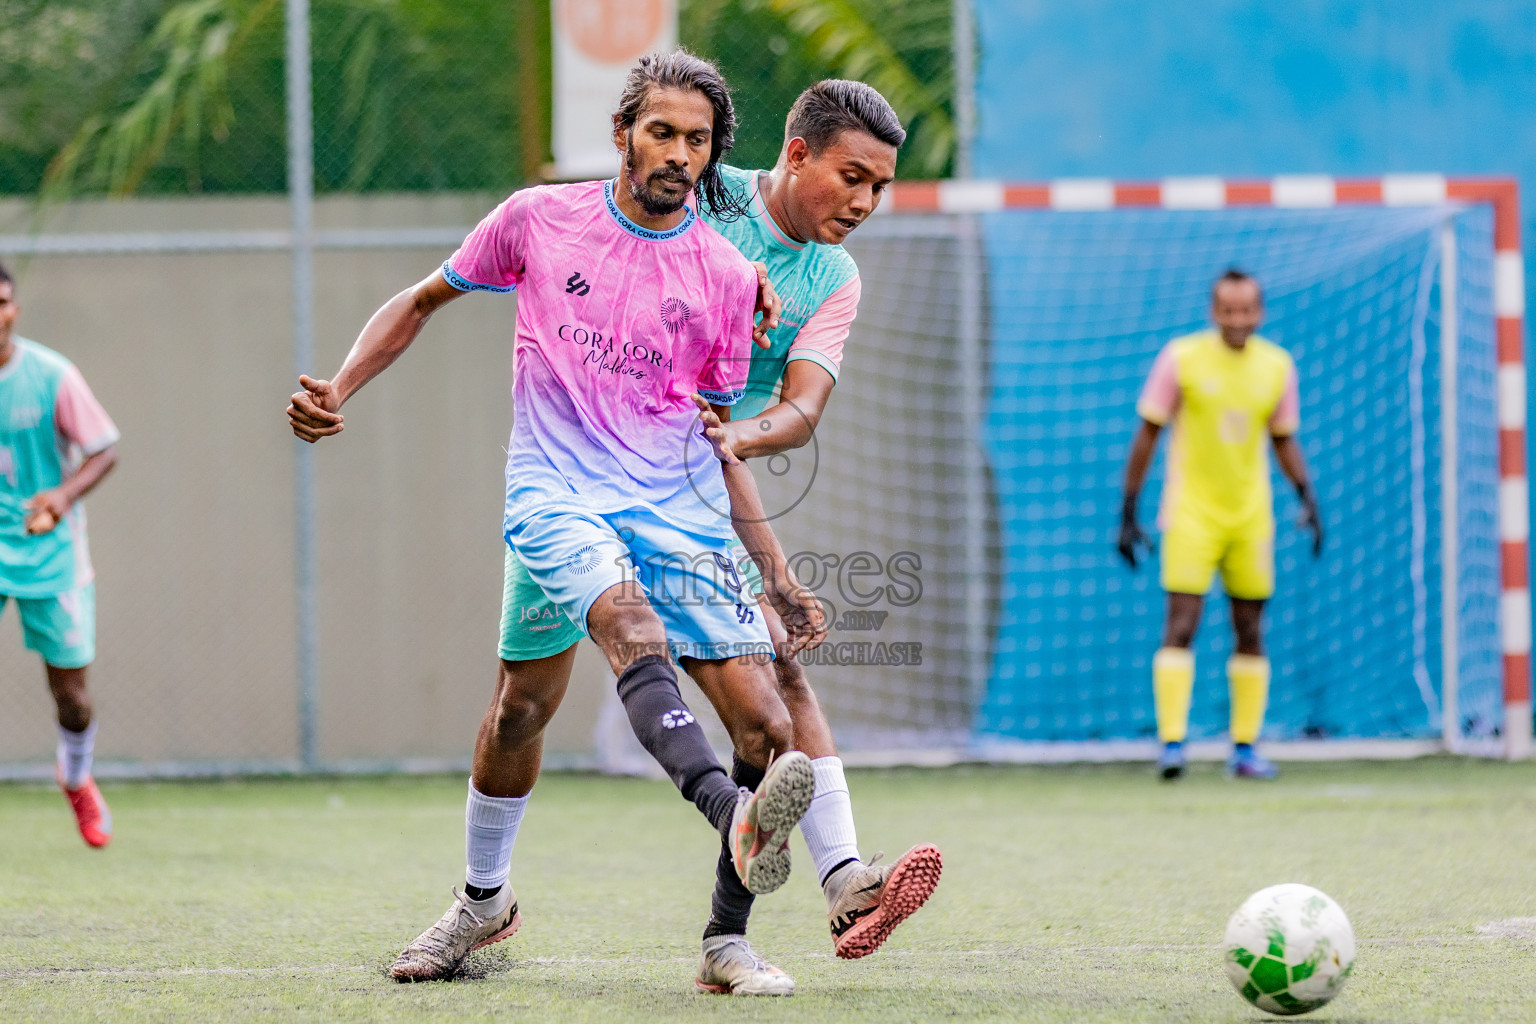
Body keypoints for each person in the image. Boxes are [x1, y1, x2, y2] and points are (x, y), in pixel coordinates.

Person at [288, 51, 825, 994]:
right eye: (662, 132)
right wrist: (339, 385)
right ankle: (485, 901)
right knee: (531, 701)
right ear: (623, 133)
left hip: (675, 510)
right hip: (555, 495)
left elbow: (714, 433)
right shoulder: (538, 218)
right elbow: (422, 301)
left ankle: (725, 941)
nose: (679, 154)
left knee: (769, 728)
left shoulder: (726, 275)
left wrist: (773, 572)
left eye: (698, 141)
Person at [1117, 269, 1323, 781]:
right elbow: (1148, 433)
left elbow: (1282, 438)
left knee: (1250, 627)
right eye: (1228, 310)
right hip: (1191, 514)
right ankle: (1172, 744)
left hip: (1250, 518)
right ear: (1214, 312)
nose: (1237, 319)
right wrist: (1129, 510)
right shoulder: (1181, 359)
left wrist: (1307, 497)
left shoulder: (1276, 366)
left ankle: (1245, 749)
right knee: (1181, 624)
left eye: (1246, 309)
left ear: (1260, 312)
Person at [0, 260, 120, 845]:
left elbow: (104, 450)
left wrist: (61, 496)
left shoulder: (51, 375)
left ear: (14, 309)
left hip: (50, 554)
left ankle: (75, 776)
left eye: (1, 303)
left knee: (71, 697)